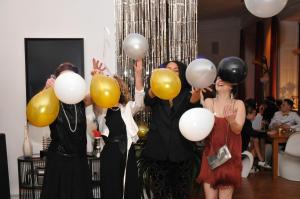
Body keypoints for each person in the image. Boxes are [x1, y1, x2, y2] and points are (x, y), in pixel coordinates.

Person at [141, 60, 202, 199]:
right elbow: (147, 100)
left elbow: (194, 107)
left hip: (182, 151)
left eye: (176, 70)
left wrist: (196, 96)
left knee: (181, 192)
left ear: (181, 74)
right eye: (168, 69)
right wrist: (154, 87)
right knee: (160, 192)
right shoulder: (157, 92)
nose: (172, 72)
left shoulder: (187, 93)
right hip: (158, 152)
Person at [92, 58, 144, 199]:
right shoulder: (102, 110)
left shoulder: (127, 108)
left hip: (127, 151)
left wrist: (138, 74)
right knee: (110, 187)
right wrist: (97, 77)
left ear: (120, 89)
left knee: (129, 187)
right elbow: (95, 100)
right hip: (110, 153)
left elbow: (139, 101)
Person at [41, 62, 93, 199]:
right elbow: (38, 109)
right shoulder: (52, 100)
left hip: (79, 161)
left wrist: (97, 77)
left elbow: (98, 96)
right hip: (58, 161)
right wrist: (46, 89)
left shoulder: (82, 100)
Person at [197, 77, 246, 199]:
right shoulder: (209, 102)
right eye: (218, 78)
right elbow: (206, 129)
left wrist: (231, 121)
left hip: (229, 156)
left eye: (224, 79)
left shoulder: (238, 104)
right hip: (211, 155)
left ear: (232, 86)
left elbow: (237, 129)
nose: (219, 80)